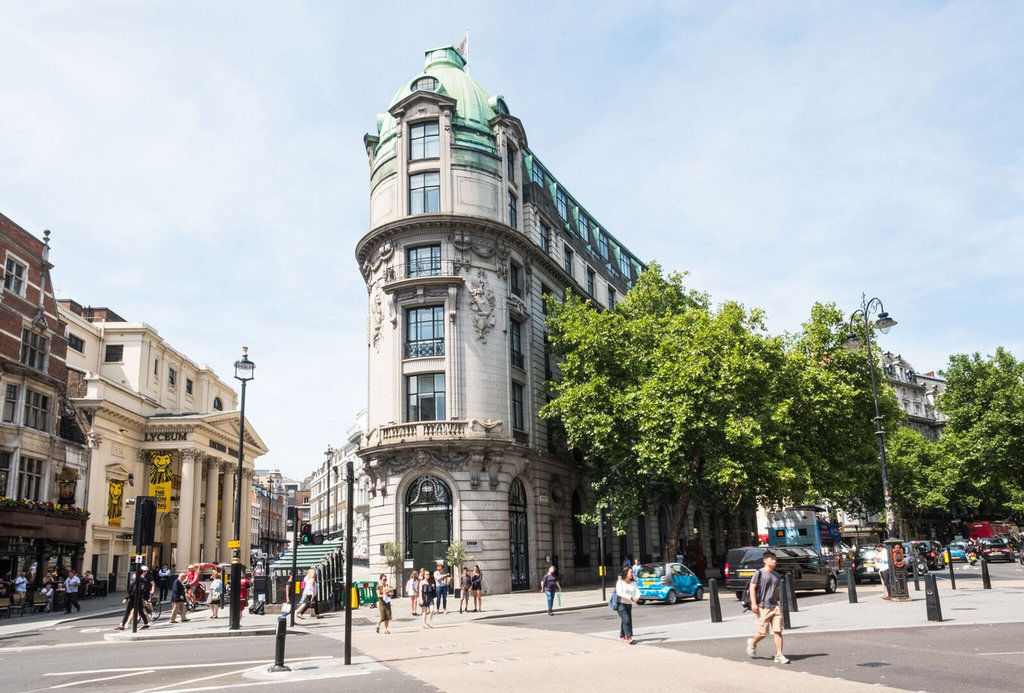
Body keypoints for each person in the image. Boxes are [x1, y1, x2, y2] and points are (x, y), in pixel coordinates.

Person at [745, 550, 789, 664]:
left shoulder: (776, 576)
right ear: (765, 561)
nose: (774, 561)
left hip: (774, 606)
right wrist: (754, 603)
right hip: (762, 606)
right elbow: (752, 588)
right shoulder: (759, 573)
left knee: (778, 631)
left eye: (775, 560)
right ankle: (752, 642)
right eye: (772, 559)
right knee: (763, 633)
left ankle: (779, 654)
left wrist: (778, 601)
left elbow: (776, 590)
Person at [615, 566, 640, 644]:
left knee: (625, 620)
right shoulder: (620, 582)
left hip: (629, 604)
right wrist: (631, 597)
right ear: (626, 573)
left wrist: (637, 597)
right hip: (620, 604)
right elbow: (619, 593)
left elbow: (638, 590)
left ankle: (622, 636)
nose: (632, 574)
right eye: (631, 572)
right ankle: (629, 637)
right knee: (626, 619)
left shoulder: (633, 582)